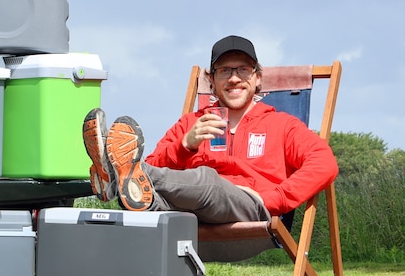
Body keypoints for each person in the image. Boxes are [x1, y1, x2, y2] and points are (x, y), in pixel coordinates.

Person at [83, 35, 338, 223]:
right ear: (212, 81)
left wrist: (275, 199)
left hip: (250, 209)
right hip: (189, 219)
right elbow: (151, 165)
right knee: (143, 202)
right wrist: (185, 146)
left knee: (208, 180)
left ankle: (113, 176)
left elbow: (324, 164)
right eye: (224, 71)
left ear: (258, 78)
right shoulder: (191, 124)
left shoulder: (282, 126)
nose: (234, 78)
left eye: (243, 70)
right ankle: (119, 178)